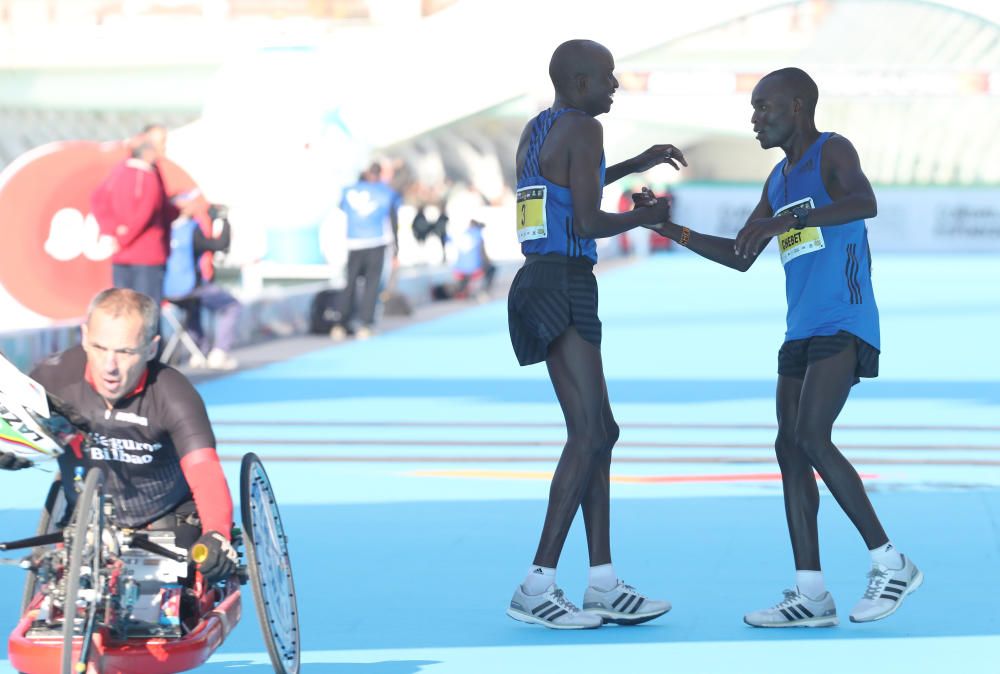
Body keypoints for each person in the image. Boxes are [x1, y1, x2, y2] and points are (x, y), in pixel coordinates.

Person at [638, 67, 922, 627]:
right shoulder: (776, 178)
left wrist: (782, 224)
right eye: (753, 108)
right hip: (800, 330)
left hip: (845, 319)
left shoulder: (832, 151)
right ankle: (811, 593)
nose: (754, 118)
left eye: (763, 107)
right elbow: (742, 254)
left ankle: (892, 563)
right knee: (788, 448)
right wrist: (672, 232)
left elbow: (864, 202)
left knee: (812, 436)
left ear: (796, 106)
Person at [506, 39, 685, 630]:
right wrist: (645, 218)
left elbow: (570, 185)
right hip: (564, 281)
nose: (615, 87)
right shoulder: (584, 127)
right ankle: (538, 583)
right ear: (580, 82)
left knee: (600, 431)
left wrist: (635, 164)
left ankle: (602, 582)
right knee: (588, 432)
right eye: (608, 78)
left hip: (540, 279)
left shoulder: (542, 127)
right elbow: (587, 220)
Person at [2, 288, 238, 586]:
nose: (110, 366)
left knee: (175, 600)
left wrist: (217, 532)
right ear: (85, 336)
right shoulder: (53, 380)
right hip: (84, 518)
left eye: (125, 352)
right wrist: (10, 451)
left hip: (165, 515)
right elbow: (22, 432)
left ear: (151, 349)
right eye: (100, 348)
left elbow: (205, 471)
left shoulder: (174, 393)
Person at [91, 124, 198, 308]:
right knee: (143, 313)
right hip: (144, 257)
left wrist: (177, 210)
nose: (164, 147)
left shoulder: (136, 171)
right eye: (161, 142)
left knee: (127, 311)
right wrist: (120, 236)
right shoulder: (143, 174)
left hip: (128, 253)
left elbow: (157, 208)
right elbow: (145, 211)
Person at [163, 204, 243, 370]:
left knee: (193, 307)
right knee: (231, 305)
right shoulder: (191, 230)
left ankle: (199, 352)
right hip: (191, 288)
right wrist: (222, 219)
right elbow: (220, 244)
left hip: (168, 291)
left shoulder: (165, 230)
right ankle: (219, 352)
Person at [329, 161, 402, 341]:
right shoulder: (386, 192)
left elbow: (341, 213)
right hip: (376, 242)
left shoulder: (349, 190)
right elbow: (393, 223)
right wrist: (396, 251)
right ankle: (365, 324)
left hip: (353, 243)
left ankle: (340, 324)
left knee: (350, 284)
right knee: (372, 285)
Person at [451, 219, 495, 300]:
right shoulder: (478, 235)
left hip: (459, 269)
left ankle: (463, 290)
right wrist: (488, 262)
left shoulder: (463, 234)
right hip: (473, 269)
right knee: (492, 268)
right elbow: (483, 255)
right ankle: (483, 292)